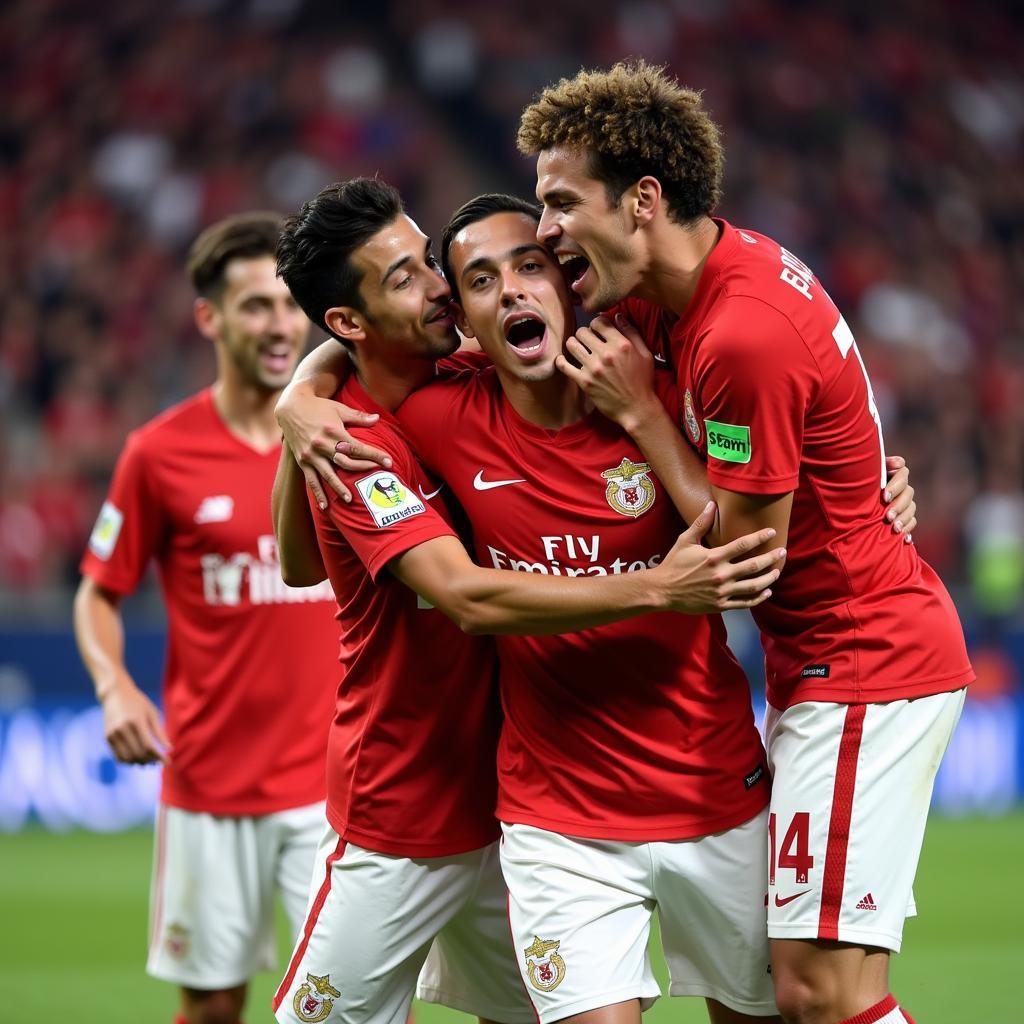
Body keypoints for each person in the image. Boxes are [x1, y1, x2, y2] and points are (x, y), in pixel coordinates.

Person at [272, 183, 915, 1024]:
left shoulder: (654, 375)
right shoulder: (404, 421)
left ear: (565, 281)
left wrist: (868, 492)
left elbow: (776, 453)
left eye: (529, 265)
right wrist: (302, 399)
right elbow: (340, 561)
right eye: (460, 280)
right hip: (519, 812)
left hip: (707, 786)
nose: (479, 290)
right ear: (461, 318)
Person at [516, 60, 973, 1024]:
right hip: (825, 658)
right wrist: (307, 391)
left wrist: (643, 415)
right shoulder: (679, 290)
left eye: (561, 201)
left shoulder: (740, 334)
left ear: (642, 199)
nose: (545, 229)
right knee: (804, 989)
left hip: (866, 659)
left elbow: (741, 561)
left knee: (817, 990)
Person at [73, 213, 340, 1024]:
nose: (279, 324)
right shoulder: (158, 453)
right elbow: (97, 591)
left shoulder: (346, 431)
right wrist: (115, 686)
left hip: (337, 789)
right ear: (210, 318)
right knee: (215, 1008)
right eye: (255, 305)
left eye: (289, 304)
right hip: (210, 788)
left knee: (350, 1003)